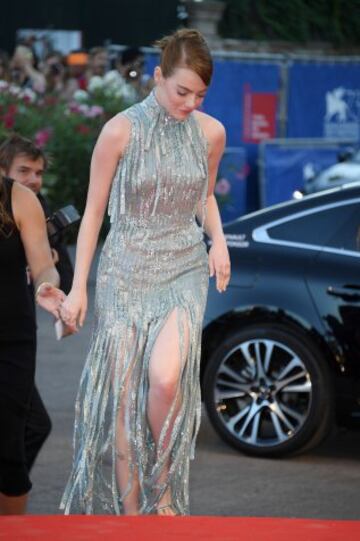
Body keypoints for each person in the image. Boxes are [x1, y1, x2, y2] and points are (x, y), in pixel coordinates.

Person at [60, 28, 230, 516]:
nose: (190, 103)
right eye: (182, 91)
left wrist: (218, 240)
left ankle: (166, 492)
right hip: (125, 270)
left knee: (165, 379)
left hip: (183, 266)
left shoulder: (211, 133)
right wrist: (78, 289)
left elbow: (203, 195)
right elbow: (93, 214)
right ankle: (133, 515)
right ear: (157, 77)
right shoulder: (120, 130)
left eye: (200, 94)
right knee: (122, 397)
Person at [0, 173, 71, 514]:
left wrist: (46, 286)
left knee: (8, 452)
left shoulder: (18, 198)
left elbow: (44, 266)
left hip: (10, 342)